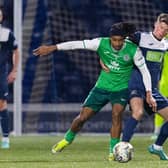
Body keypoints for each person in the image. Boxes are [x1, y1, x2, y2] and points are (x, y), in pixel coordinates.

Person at [33, 22, 155, 160]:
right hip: (101, 87)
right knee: (82, 118)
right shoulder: (100, 43)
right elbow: (76, 44)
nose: (117, 43)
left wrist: (149, 92)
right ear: (110, 38)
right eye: (114, 40)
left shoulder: (133, 50)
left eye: (120, 40)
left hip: (121, 89)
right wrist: (52, 48)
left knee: (117, 115)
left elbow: (145, 72)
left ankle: (112, 152)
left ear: (124, 39)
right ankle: (67, 139)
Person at [121, 13, 168, 160]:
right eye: (160, 27)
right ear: (155, 24)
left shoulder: (165, 44)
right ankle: (122, 147)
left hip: (152, 90)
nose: (162, 31)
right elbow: (118, 45)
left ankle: (157, 147)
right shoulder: (140, 37)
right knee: (138, 112)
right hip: (135, 85)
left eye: (166, 30)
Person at [0, 6, 19, 149]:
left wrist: (14, 70)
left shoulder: (6, 34)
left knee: (1, 104)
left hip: (1, 73)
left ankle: (5, 138)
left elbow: (16, 51)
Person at [151, 50, 168, 140]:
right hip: (165, 83)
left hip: (164, 83)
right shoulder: (164, 45)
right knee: (159, 106)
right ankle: (157, 131)